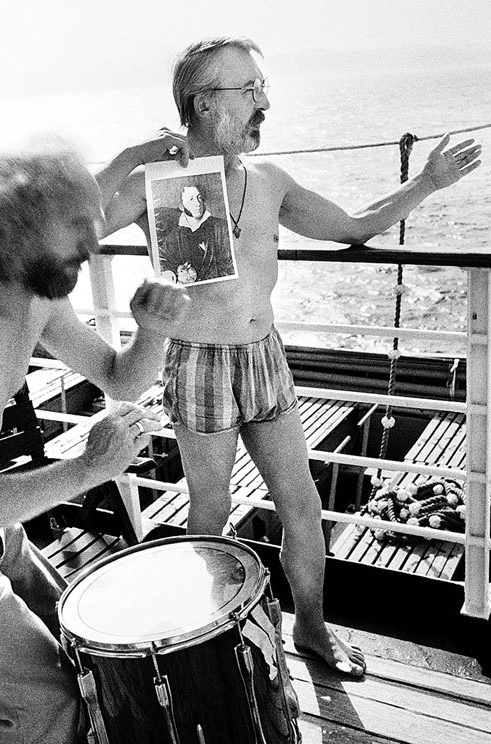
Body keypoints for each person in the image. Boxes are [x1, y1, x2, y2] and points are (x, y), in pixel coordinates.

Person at [100, 37, 482, 678]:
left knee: (301, 505)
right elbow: (69, 230)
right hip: (198, 361)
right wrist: (132, 157)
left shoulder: (270, 182)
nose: (265, 103)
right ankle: (210, 646)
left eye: (263, 87)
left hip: (265, 356)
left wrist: (427, 182)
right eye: (249, 90)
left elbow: (353, 226)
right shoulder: (153, 184)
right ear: (203, 103)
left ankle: (311, 627)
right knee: (210, 512)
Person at [0, 137, 190, 743]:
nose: (92, 244)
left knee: (82, 648)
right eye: (76, 227)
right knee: (50, 701)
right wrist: (84, 470)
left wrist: (154, 331)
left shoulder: (38, 297)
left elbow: (120, 377)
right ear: (18, 227)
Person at [157, 183, 234, 283]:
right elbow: (162, 260)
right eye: (191, 199)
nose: (198, 203)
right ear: (182, 203)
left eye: (199, 197)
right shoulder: (175, 235)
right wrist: (172, 272)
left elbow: (232, 265)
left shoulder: (222, 227)